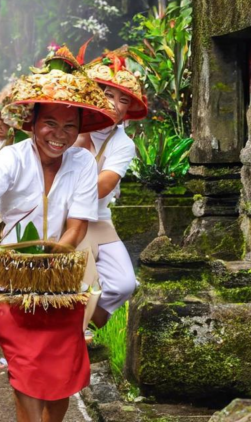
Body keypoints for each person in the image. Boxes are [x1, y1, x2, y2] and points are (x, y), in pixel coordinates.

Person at [0, 59, 116, 422]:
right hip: (13, 279)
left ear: (79, 131)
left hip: (63, 276)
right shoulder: (10, 158)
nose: (59, 134)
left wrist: (52, 257)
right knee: (26, 367)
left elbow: (76, 227)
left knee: (62, 372)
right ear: (32, 122)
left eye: (69, 127)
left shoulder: (83, 163)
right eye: (50, 123)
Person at [76, 51, 145, 328]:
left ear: (129, 109)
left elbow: (104, 187)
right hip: (59, 218)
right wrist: (80, 134)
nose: (115, 105)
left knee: (124, 284)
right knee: (75, 284)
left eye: (123, 100)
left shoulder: (123, 143)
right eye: (107, 95)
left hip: (98, 218)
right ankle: (68, 337)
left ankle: (88, 327)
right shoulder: (71, 127)